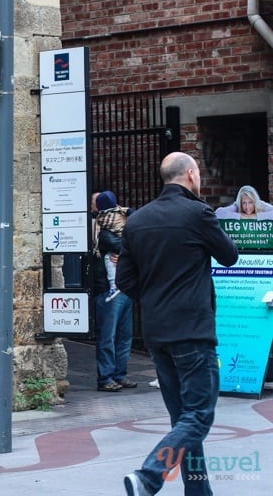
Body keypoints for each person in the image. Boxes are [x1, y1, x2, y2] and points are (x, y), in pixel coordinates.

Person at [116, 152, 238, 496]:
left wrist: (156, 299)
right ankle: (149, 476)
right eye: (198, 173)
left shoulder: (137, 221)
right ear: (190, 174)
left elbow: (125, 279)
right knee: (198, 416)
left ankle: (198, 493)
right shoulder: (198, 214)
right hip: (192, 333)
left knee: (184, 420)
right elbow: (230, 256)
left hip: (158, 334)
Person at [92, 190, 136, 393]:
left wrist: (127, 255)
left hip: (126, 287)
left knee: (125, 335)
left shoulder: (123, 221)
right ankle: (106, 377)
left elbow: (136, 241)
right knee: (108, 336)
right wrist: (130, 253)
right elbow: (119, 244)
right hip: (107, 290)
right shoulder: (102, 229)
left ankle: (120, 374)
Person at [94, 190, 132, 302]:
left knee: (108, 258)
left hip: (113, 284)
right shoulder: (121, 212)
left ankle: (113, 286)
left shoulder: (101, 223)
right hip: (122, 283)